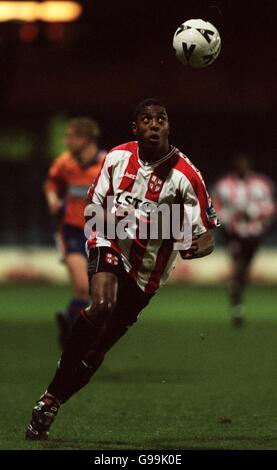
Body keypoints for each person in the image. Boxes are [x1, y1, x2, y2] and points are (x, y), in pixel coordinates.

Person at [26, 98, 218, 440]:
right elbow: (94, 204)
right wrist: (116, 226)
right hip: (109, 240)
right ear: (136, 128)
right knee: (100, 304)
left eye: (161, 119)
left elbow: (207, 237)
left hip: (146, 275)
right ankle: (53, 393)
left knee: (98, 349)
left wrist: (192, 248)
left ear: (168, 127)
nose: (154, 124)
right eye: (147, 119)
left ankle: (50, 401)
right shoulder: (116, 158)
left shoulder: (187, 176)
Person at [44, 117, 106, 347]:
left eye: (71, 136)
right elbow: (51, 183)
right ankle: (78, 340)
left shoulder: (107, 163)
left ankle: (69, 322)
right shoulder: (65, 163)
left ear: (85, 139)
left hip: (100, 234)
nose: (66, 140)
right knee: (82, 286)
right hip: (71, 232)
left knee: (99, 294)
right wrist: (52, 199)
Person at [212, 154, 276, 326]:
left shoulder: (262, 184)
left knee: (244, 269)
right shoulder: (224, 185)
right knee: (239, 264)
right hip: (233, 233)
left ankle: (236, 292)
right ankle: (237, 307)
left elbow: (270, 207)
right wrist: (229, 218)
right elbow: (215, 208)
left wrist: (255, 213)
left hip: (254, 234)